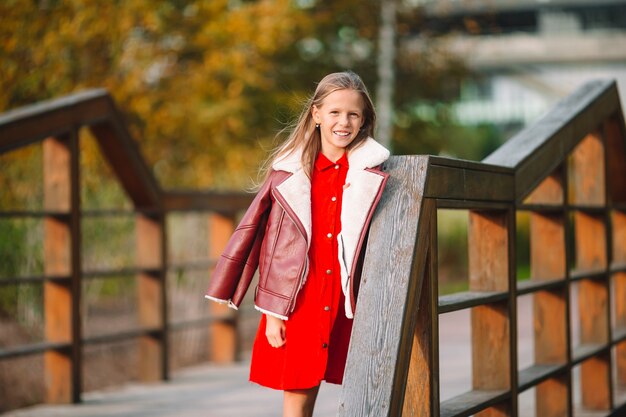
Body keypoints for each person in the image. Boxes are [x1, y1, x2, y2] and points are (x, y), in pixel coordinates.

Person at [205, 71, 390, 417]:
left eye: (353, 114)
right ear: (316, 114)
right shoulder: (290, 174)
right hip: (300, 299)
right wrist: (274, 313)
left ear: (364, 119)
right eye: (334, 112)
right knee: (298, 394)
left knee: (369, 384)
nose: (343, 122)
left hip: (349, 298)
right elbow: (272, 248)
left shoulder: (374, 173)